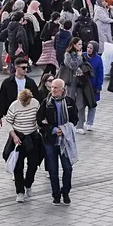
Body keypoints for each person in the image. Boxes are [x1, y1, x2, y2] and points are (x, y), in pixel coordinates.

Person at [36, 77, 77, 205]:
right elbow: (39, 121)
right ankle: (56, 195)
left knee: (67, 168)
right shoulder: (46, 103)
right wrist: (53, 129)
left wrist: (64, 129)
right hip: (50, 140)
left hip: (65, 140)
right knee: (53, 170)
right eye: (52, 87)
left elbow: (75, 119)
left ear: (63, 89)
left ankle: (65, 192)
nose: (53, 90)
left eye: (56, 88)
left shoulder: (69, 102)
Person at [3, 86, 42, 203]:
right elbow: (8, 122)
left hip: (33, 136)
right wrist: (14, 136)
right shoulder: (14, 106)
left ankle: (28, 184)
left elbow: (39, 118)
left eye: (27, 102)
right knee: (18, 166)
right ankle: (20, 191)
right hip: (19, 138)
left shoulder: (35, 103)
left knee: (33, 164)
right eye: (23, 102)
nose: (25, 104)